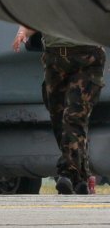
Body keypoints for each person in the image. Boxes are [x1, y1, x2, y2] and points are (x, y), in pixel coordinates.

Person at [12, 25, 106, 195]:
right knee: (59, 119)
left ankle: (67, 173)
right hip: (54, 59)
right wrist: (23, 31)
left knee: (74, 117)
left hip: (87, 59)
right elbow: (36, 16)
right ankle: (80, 178)